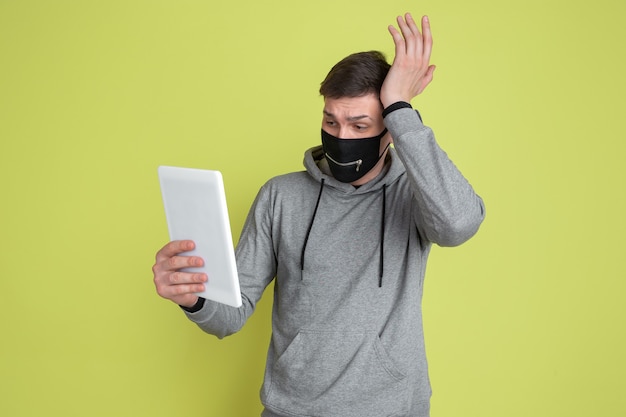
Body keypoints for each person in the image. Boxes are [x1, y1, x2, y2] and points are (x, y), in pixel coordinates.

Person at [152, 12, 485, 417]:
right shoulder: (281, 196)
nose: (342, 137)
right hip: (290, 409)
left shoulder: (413, 193)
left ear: (388, 130)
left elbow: (459, 224)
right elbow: (230, 315)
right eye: (332, 121)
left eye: (360, 125)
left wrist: (400, 107)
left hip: (391, 408)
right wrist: (194, 299)